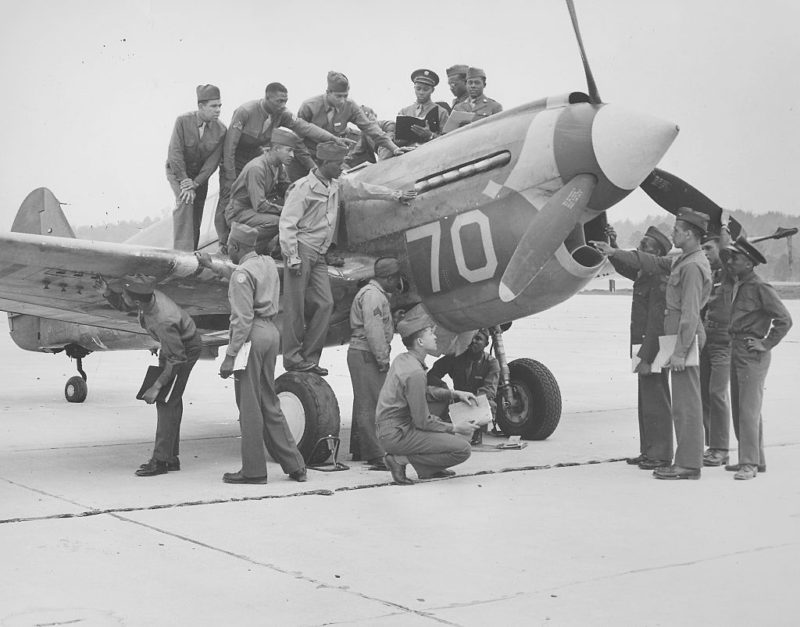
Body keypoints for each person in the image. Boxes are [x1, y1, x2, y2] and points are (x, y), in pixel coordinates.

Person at [592, 207, 712, 480]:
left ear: (691, 235)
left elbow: (691, 313)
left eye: (678, 230)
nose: (674, 233)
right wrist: (613, 251)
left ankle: (688, 464)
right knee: (682, 402)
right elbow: (648, 262)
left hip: (682, 338)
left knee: (687, 404)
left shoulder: (693, 266)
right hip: (675, 338)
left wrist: (680, 352)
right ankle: (680, 460)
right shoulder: (683, 260)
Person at [279, 141, 416, 376]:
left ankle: (310, 357)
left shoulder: (336, 183)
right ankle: (292, 358)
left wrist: (396, 195)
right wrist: (292, 256)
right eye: (337, 163)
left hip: (321, 254)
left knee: (326, 304)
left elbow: (363, 189)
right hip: (302, 250)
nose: (342, 167)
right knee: (296, 306)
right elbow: (287, 224)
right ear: (324, 163)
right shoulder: (302, 188)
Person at [219, 222, 307, 485]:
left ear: (235, 246)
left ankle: (254, 471)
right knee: (270, 401)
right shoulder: (267, 263)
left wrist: (230, 356)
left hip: (252, 337)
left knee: (249, 406)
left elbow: (242, 319)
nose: (227, 251)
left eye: (229, 247)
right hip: (272, 333)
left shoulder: (241, 275)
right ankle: (296, 465)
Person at [214, 83, 345, 246]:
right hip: (235, 159)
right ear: (267, 98)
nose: (283, 105)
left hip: (256, 154)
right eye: (279, 101)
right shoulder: (245, 111)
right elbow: (229, 146)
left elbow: (305, 127)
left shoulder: (282, 114)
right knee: (228, 198)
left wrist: (332, 138)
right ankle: (224, 242)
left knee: (260, 200)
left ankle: (253, 240)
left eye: (285, 101)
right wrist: (230, 177)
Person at [102, 281, 201, 477]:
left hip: (183, 351)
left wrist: (157, 386)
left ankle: (161, 461)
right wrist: (107, 293)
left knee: (165, 400)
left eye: (125, 294)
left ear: (138, 300)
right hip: (172, 346)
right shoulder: (147, 297)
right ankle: (170, 458)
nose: (123, 296)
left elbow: (177, 359)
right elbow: (126, 304)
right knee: (171, 399)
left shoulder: (163, 319)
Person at [375, 305, 478, 484]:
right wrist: (456, 427)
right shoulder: (415, 372)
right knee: (462, 449)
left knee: (443, 429)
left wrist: (454, 393)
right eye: (431, 333)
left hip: (390, 429)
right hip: (397, 434)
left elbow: (422, 392)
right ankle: (399, 460)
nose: (436, 336)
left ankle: (429, 469)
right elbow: (422, 421)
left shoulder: (404, 359)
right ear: (420, 342)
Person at [723, 237, 792, 480]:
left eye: (736, 258)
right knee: (741, 408)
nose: (730, 261)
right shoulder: (740, 283)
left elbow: (785, 319)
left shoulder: (760, 287)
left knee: (748, 410)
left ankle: (748, 464)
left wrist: (766, 343)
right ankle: (755, 459)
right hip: (737, 348)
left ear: (750, 263)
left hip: (752, 353)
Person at [606, 224, 674, 470]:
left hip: (653, 347)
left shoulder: (660, 277)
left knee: (657, 400)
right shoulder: (647, 274)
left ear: (656, 252)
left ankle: (661, 454)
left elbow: (657, 323)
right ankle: (649, 451)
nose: (640, 247)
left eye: (645, 245)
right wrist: (613, 249)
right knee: (647, 400)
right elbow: (626, 265)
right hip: (644, 345)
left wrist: (645, 356)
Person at [290, 71, 404, 180]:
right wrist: (312, 167)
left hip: (327, 159)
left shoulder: (350, 106)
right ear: (328, 92)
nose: (342, 101)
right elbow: (297, 141)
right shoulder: (309, 106)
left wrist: (394, 148)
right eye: (338, 96)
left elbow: (371, 128)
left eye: (345, 96)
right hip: (303, 158)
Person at [347, 257, 403, 469]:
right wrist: (382, 359)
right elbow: (373, 329)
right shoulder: (372, 296)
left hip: (364, 352)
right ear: (388, 278)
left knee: (369, 403)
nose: (398, 282)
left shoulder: (376, 295)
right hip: (366, 354)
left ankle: (367, 449)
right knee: (371, 406)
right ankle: (376, 454)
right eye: (396, 277)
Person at [166, 84, 226, 251]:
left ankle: (192, 253)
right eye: (213, 106)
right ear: (201, 106)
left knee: (197, 212)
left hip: (200, 177)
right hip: (178, 172)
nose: (218, 110)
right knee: (186, 201)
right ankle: (181, 254)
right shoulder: (183, 121)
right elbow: (175, 153)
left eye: (220, 106)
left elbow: (212, 163)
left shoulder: (221, 130)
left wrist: (196, 183)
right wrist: (185, 181)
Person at [221, 128, 299, 253]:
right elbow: (260, 205)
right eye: (289, 150)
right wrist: (285, 211)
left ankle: (268, 249)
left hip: (251, 210)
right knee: (276, 222)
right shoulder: (257, 168)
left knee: (291, 212)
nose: (292, 155)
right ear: (276, 148)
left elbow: (286, 187)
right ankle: (239, 245)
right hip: (239, 212)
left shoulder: (277, 165)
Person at [427, 328, 499, 445]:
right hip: (457, 400)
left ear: (486, 343)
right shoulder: (455, 357)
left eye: (478, 339)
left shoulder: (492, 363)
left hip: (477, 400)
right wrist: (445, 389)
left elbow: (490, 389)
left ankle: (477, 431)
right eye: (471, 338)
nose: (473, 341)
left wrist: (473, 399)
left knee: (490, 404)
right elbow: (432, 375)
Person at [699, 231, 735, 466]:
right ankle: (712, 445)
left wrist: (723, 227)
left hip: (723, 342)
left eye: (709, 249)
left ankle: (721, 448)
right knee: (704, 393)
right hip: (705, 341)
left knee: (717, 393)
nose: (705, 253)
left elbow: (726, 250)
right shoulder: (708, 274)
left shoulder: (730, 274)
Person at [396, 69, 450, 145]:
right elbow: (397, 141)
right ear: (414, 88)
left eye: (425, 89)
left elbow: (448, 139)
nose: (421, 92)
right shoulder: (404, 112)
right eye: (418, 89)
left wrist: (430, 135)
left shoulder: (441, 112)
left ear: (432, 90)